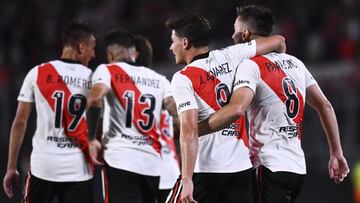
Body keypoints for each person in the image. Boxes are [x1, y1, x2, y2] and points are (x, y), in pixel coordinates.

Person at [199, 5, 350, 203]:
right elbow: (325, 106)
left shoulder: (250, 66)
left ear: (245, 34)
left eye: (235, 29)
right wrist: (336, 153)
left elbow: (237, 109)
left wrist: (195, 128)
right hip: (296, 167)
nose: (232, 34)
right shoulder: (296, 63)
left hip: (268, 165)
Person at [165, 13, 285, 203]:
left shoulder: (183, 78)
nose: (171, 47)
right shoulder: (231, 54)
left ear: (185, 43)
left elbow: (189, 130)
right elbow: (278, 41)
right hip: (240, 170)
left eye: (173, 41)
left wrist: (186, 179)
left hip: (206, 172)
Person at [3, 20, 96, 203]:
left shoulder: (37, 73)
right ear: (80, 47)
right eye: (92, 47)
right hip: (79, 169)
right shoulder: (94, 79)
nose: (93, 54)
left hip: (43, 167)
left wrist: (11, 167)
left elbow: (20, 122)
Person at [86, 29, 177, 203]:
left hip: (120, 160)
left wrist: (91, 138)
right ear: (134, 54)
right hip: (152, 164)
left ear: (110, 54)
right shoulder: (160, 79)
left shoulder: (107, 70)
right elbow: (178, 116)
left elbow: (95, 98)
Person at [134, 34, 181, 203]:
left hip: (142, 169)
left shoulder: (127, 92)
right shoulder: (162, 86)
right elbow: (179, 127)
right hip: (170, 170)